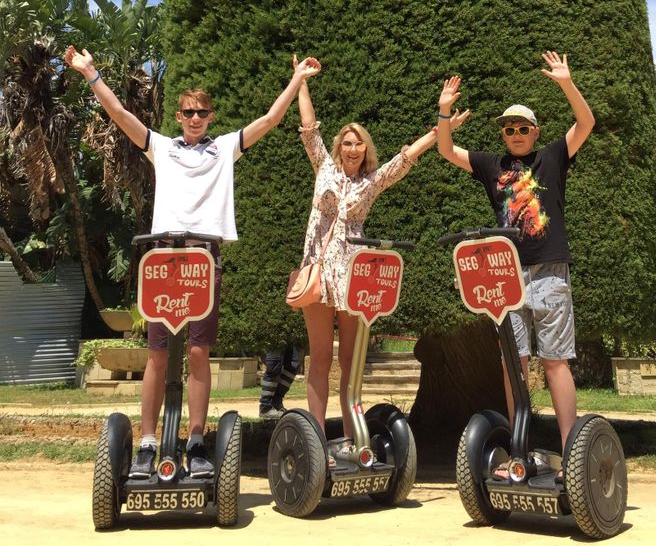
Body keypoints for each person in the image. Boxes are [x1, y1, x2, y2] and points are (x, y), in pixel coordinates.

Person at [65, 45, 321, 478]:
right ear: (179, 116)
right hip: (164, 259)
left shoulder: (224, 149)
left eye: (202, 112)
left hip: (204, 258)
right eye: (188, 112)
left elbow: (270, 121)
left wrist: (297, 80)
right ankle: (148, 443)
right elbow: (122, 116)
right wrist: (90, 73)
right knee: (158, 355)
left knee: (199, 351)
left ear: (211, 117)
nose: (195, 118)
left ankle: (198, 441)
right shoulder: (161, 148)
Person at [293, 56, 468, 465]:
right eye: (347, 143)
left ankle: (355, 438)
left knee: (351, 363)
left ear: (366, 150)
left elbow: (405, 159)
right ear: (338, 148)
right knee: (319, 358)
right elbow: (309, 129)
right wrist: (301, 81)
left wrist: (442, 128)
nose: (353, 149)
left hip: (353, 276)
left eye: (360, 144)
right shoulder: (322, 167)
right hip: (318, 272)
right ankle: (316, 440)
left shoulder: (372, 182)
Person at [436, 50, 595, 477]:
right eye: (509, 128)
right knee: (515, 363)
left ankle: (571, 454)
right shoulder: (492, 165)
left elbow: (586, 124)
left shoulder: (552, 156)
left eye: (523, 127)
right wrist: (444, 111)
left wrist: (566, 82)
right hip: (507, 278)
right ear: (504, 134)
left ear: (534, 131)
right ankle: (519, 452)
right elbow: (446, 150)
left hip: (549, 273)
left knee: (556, 361)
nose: (516, 133)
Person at [259, 344, 301, 419]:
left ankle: (276, 403)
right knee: (274, 365)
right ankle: (265, 407)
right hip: (275, 335)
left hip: (291, 335)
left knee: (293, 364)